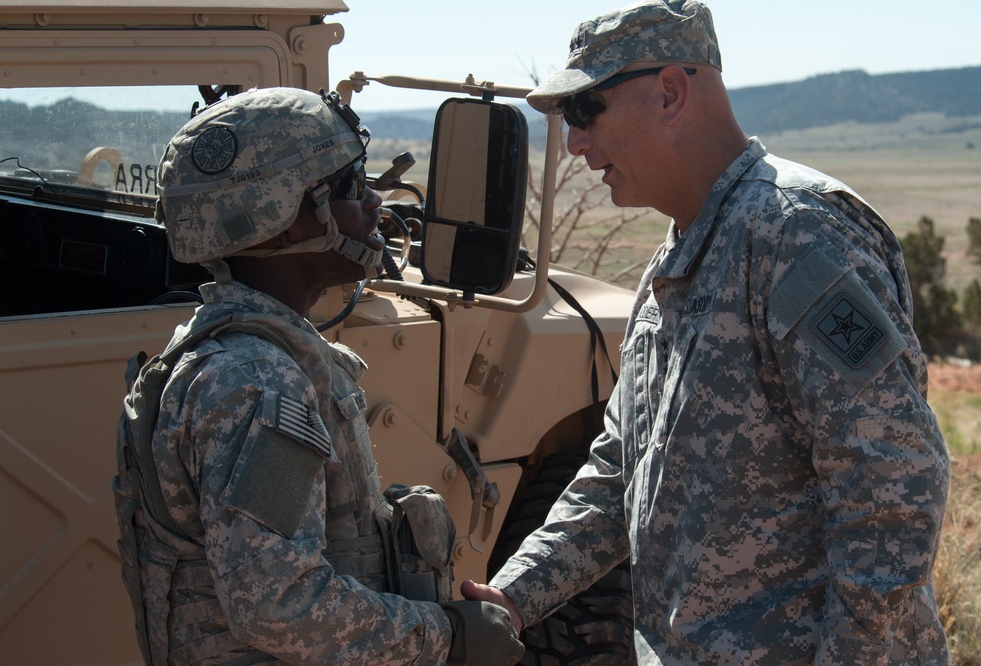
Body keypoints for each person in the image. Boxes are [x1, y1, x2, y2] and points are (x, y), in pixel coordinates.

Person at [463, 2, 952, 663]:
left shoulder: (797, 238)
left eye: (585, 111)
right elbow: (618, 471)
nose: (575, 142)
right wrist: (513, 597)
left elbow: (894, 486)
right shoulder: (679, 256)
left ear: (670, 93)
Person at [112, 87, 523, 665]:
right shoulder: (256, 382)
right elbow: (278, 602)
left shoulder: (238, 353)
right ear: (278, 225)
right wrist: (446, 637)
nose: (376, 202)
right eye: (349, 190)